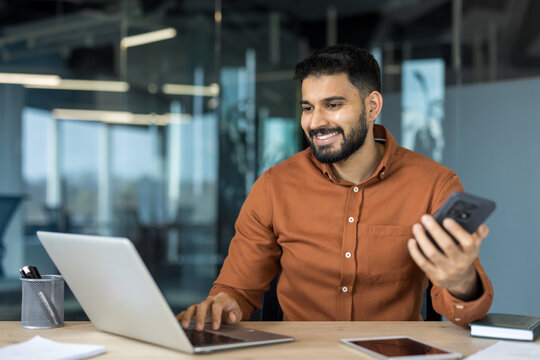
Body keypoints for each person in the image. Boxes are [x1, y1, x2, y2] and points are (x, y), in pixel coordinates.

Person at [177, 44, 493, 331]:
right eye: (308, 107)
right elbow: (237, 291)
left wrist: (461, 281)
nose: (315, 122)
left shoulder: (433, 184)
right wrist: (224, 303)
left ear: (372, 107)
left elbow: (464, 314)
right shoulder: (274, 186)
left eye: (332, 105)